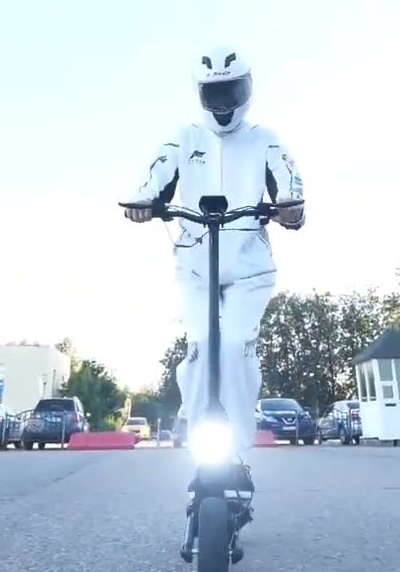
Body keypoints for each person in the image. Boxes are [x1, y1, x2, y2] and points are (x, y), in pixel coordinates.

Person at [123, 45, 305, 533]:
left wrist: (291, 207)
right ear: (201, 95)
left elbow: (289, 179)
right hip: (195, 267)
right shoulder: (185, 137)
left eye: (232, 91)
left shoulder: (264, 138)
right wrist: (143, 201)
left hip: (250, 269)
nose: (224, 102)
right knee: (202, 344)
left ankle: (235, 450)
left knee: (237, 343)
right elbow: (157, 174)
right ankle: (199, 430)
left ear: (247, 90)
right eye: (214, 93)